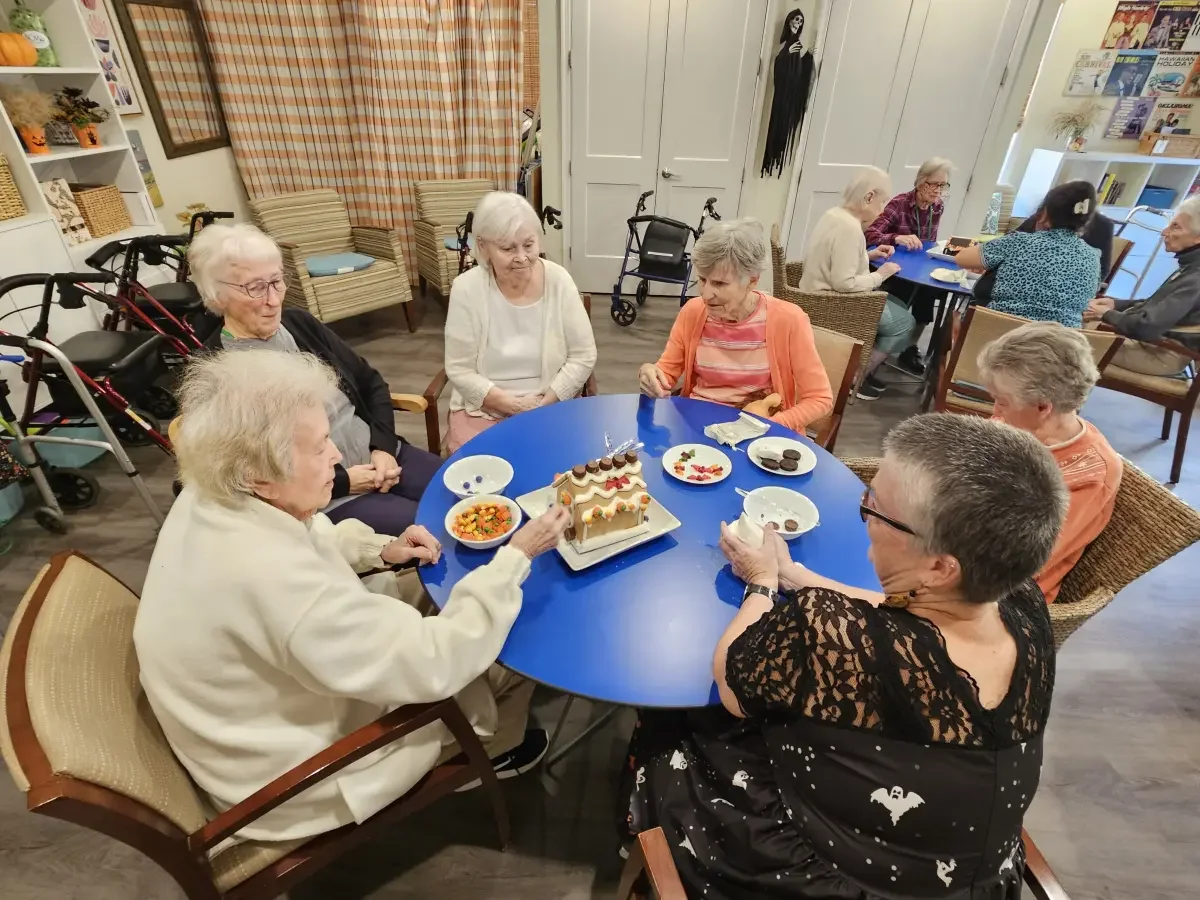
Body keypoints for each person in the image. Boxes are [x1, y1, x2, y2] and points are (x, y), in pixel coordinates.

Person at [622, 414, 1066, 899]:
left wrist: (763, 584)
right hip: (973, 877)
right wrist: (797, 575)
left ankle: (639, 830)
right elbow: (913, 611)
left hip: (829, 881)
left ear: (940, 565)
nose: (866, 517)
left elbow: (731, 680)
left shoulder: (834, 635)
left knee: (678, 720)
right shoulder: (1023, 605)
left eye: (876, 509)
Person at [136, 350, 572, 843]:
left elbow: (311, 532)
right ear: (262, 475)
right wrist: (516, 556)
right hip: (295, 776)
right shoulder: (280, 584)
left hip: (254, 714)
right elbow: (435, 663)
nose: (339, 456)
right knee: (512, 653)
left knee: (454, 596)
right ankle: (495, 751)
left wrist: (378, 549)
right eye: (321, 446)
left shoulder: (214, 487)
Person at [191, 222, 439, 536]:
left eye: (277, 280)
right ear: (216, 295)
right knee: (434, 530)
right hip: (326, 498)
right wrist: (345, 481)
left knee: (466, 496)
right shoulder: (217, 373)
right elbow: (251, 478)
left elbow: (370, 382)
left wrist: (384, 448)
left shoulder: (300, 324)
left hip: (381, 457)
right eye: (255, 287)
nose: (274, 299)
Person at [638, 218, 833, 431]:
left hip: (759, 436)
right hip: (696, 427)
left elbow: (819, 399)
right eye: (702, 280)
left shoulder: (789, 320)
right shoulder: (693, 312)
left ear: (752, 280)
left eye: (719, 283)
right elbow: (667, 371)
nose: (706, 294)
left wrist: (769, 426)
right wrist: (652, 374)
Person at [979, 322, 1122, 603]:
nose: (994, 411)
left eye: (1001, 402)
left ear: (1043, 407)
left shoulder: (1090, 474)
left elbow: (1022, 561)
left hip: (1002, 594)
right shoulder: (1009, 424)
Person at [444, 191, 597, 453]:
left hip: (551, 404)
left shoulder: (559, 281)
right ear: (482, 247)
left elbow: (583, 356)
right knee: (484, 479)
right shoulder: (466, 289)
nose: (522, 257)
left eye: (529, 244)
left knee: (557, 475)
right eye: (507, 248)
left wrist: (542, 405)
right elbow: (459, 369)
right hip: (485, 411)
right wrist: (512, 406)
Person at [798, 166, 912, 400]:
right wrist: (881, 273)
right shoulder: (850, 228)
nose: (882, 211)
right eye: (882, 202)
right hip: (836, 304)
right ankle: (852, 377)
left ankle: (859, 368)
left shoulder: (833, 215)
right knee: (905, 323)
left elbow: (834, 259)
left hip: (814, 294)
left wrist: (868, 256)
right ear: (869, 197)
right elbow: (845, 283)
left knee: (899, 302)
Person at [953, 181, 1101, 328]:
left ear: (1044, 214)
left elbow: (962, 258)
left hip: (1000, 340)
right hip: (1059, 346)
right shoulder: (1093, 258)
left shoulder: (1019, 241)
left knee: (956, 318)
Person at [1086, 195, 1200, 376]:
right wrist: (1116, 304)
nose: (1164, 232)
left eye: (1175, 226)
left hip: (1159, 353)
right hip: (1155, 345)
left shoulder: (1195, 278)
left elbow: (1146, 327)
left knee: (1066, 339)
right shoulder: (1191, 268)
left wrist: (1107, 314)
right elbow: (1156, 304)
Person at [864, 157, 954, 377]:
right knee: (904, 292)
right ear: (921, 182)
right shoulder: (899, 204)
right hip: (894, 265)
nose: (938, 191)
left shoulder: (937, 207)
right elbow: (870, 234)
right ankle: (885, 343)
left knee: (930, 290)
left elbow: (929, 242)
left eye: (943, 185)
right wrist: (897, 238)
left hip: (919, 265)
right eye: (934, 184)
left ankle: (909, 347)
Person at [973, 201, 1113, 305]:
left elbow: (998, 249)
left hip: (999, 308)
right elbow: (1102, 272)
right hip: (1062, 321)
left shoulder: (1027, 235)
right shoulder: (1093, 253)